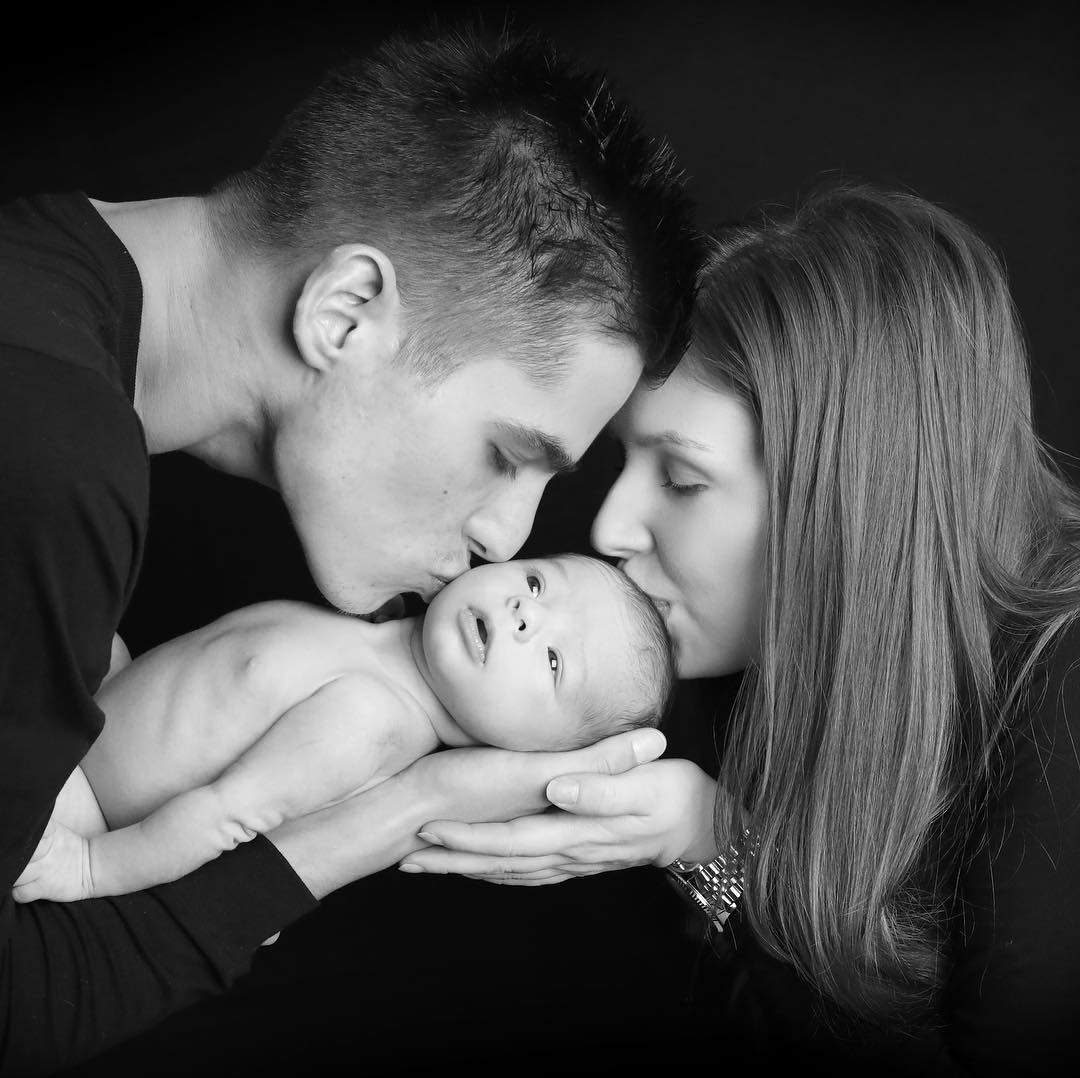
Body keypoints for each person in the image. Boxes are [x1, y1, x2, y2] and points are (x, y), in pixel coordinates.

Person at [0, 23, 701, 1074]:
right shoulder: (56, 460)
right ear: (348, 311)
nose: (504, 539)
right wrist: (405, 808)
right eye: (509, 455)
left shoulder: (42, 284)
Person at [400, 183, 1080, 1072]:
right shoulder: (732, 671)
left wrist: (719, 847)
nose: (608, 529)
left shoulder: (1061, 697)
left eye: (680, 480)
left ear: (846, 505)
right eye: (626, 462)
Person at [13, 555, 675, 904]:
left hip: (89, 803)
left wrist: (92, 867)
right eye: (538, 581)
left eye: (555, 661)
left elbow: (228, 816)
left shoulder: (374, 720)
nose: (526, 613)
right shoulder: (376, 616)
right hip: (97, 706)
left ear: (530, 753)